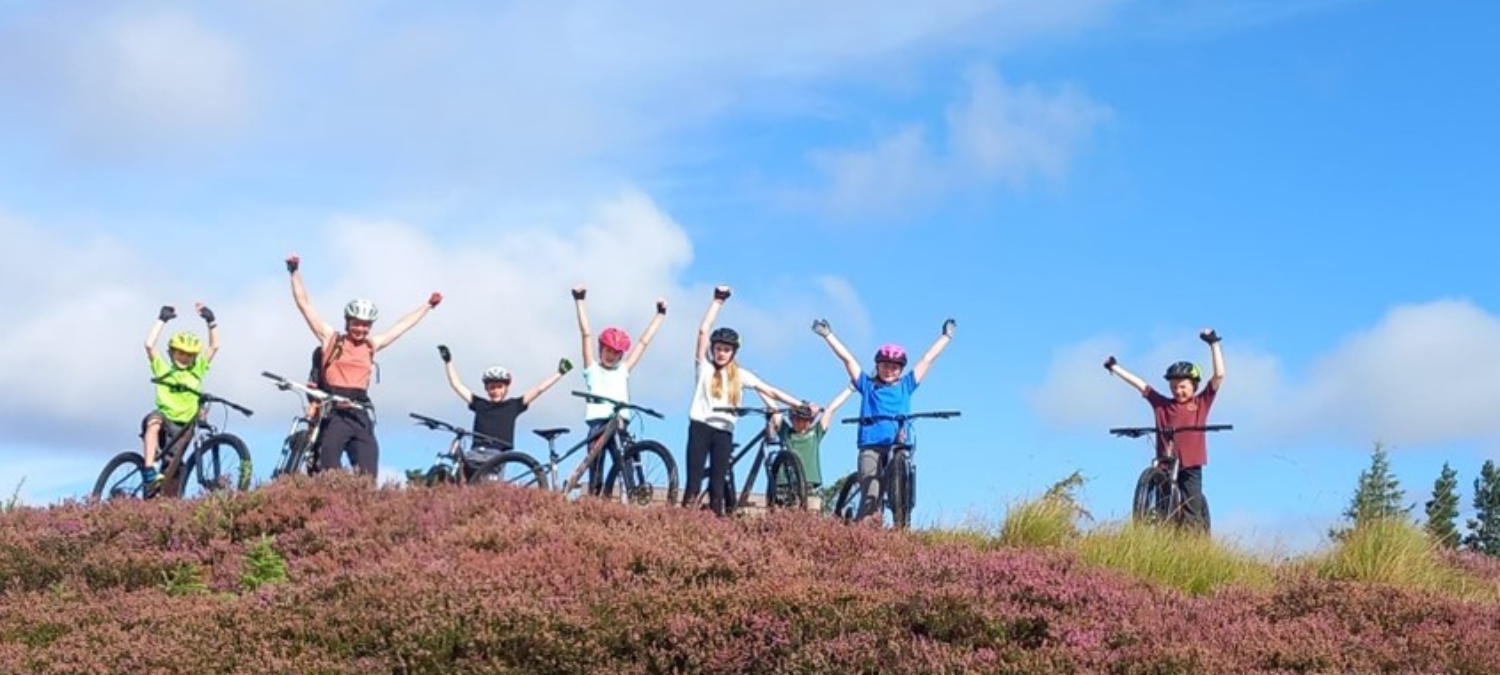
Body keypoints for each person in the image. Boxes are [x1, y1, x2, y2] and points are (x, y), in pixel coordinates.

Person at [285, 253, 441, 478]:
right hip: (335, 411)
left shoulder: (371, 345)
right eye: (357, 324)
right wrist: (294, 272)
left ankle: (358, 510)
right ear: (348, 322)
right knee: (329, 469)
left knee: (368, 473)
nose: (361, 329)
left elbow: (402, 326)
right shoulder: (331, 339)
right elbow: (305, 305)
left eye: (366, 325)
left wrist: (427, 306)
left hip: (360, 414)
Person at [812, 316, 955, 522]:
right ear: (877, 366)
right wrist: (828, 335)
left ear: (901, 370)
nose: (890, 370)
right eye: (885, 366)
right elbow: (848, 360)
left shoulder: (907, 385)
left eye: (895, 367)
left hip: (898, 445)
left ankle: (899, 525)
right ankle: (858, 533)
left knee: (902, 492)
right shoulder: (868, 386)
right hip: (871, 446)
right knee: (872, 496)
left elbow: (927, 359)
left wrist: (946, 336)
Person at [686, 285, 811, 516]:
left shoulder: (740, 375)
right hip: (700, 427)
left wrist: (798, 404)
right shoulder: (703, 367)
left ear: (734, 353)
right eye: (719, 349)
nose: (721, 353)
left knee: (717, 487)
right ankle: (684, 523)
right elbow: (703, 331)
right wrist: (718, 302)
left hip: (724, 431)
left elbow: (769, 390)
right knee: (693, 483)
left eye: (726, 350)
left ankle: (717, 526)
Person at [1103, 329, 1226, 533]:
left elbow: (1219, 375)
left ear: (1194, 386)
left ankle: (1192, 547)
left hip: (1191, 465)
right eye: (1174, 387)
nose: (1178, 390)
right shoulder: (1162, 405)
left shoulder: (1201, 402)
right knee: (1161, 511)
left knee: (1191, 514)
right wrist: (1115, 367)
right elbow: (1141, 385)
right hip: (1165, 464)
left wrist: (1213, 343)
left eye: (1183, 386)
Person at [567, 285, 666, 495]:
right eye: (608, 351)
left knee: (626, 466)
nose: (611, 356)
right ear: (601, 349)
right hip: (598, 425)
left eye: (616, 353)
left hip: (620, 423)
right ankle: (594, 502)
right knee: (596, 472)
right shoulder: (592, 369)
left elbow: (643, 342)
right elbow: (586, 334)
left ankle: (628, 498)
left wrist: (659, 315)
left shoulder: (623, 370)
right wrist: (579, 300)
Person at [437, 344, 572, 472]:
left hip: (498, 455)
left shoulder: (513, 406)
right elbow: (457, 385)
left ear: (506, 388)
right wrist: (448, 362)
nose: (495, 390)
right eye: (491, 387)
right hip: (475, 453)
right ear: (486, 389)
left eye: (499, 387)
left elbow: (538, 389)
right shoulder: (480, 404)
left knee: (490, 488)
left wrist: (559, 373)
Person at [139, 303, 220, 489]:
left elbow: (214, 346)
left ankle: (159, 500)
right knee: (153, 422)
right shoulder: (163, 369)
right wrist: (162, 320)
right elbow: (149, 345)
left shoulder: (197, 371)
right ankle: (148, 468)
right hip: (165, 418)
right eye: (180, 353)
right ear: (172, 352)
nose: (184, 357)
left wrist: (211, 321)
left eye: (189, 355)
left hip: (184, 428)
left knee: (172, 472)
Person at [768, 385, 854, 492]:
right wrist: (759, 387)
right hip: (785, 483)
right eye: (795, 418)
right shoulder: (786, 432)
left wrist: (850, 389)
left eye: (802, 419)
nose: (799, 422)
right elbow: (773, 408)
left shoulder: (815, 433)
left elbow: (830, 409)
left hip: (808, 483)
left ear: (809, 420)